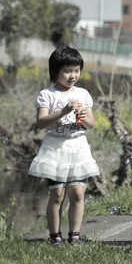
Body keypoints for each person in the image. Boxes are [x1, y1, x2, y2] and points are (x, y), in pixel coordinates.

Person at [28, 47, 100, 246]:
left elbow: (91, 124)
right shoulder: (47, 95)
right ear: (55, 71)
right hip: (55, 148)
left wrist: (84, 119)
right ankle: (55, 236)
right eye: (67, 71)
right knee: (57, 194)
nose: (73, 76)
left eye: (77, 70)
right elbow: (41, 122)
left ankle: (74, 235)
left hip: (78, 147)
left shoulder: (83, 94)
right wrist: (63, 111)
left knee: (78, 192)